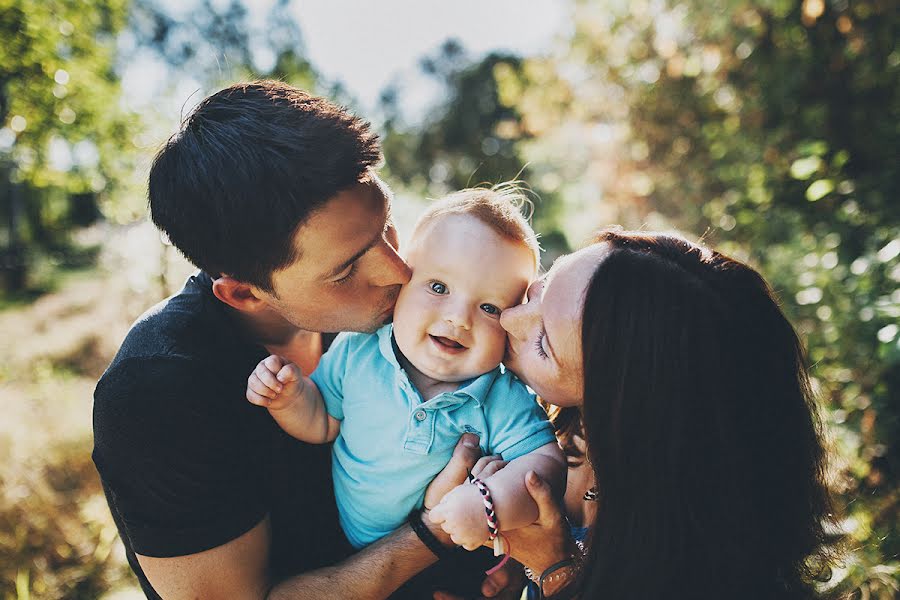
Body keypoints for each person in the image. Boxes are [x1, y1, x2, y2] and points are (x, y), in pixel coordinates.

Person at [92, 81, 488, 600]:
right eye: (347, 270)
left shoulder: (409, 310)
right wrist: (437, 533)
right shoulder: (157, 393)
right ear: (242, 293)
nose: (398, 271)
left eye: (387, 227)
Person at [437, 229, 835, 599]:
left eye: (543, 344)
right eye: (541, 287)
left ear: (622, 403)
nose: (509, 318)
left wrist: (551, 568)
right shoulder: (537, 424)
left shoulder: (699, 534)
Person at [246, 189, 566, 555]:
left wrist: (488, 503)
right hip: (341, 541)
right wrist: (289, 398)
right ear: (402, 282)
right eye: (439, 287)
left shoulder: (499, 396)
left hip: (447, 556)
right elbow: (321, 421)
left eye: (491, 308)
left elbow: (546, 465)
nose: (458, 318)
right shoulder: (359, 351)